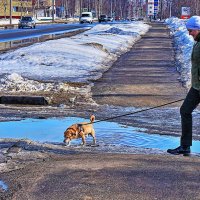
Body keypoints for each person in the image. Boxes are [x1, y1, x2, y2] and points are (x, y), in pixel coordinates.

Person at [167, 16, 200, 155]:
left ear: (198, 29)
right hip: (197, 87)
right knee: (185, 110)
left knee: (185, 111)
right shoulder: (197, 42)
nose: (189, 34)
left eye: (191, 30)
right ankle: (185, 146)